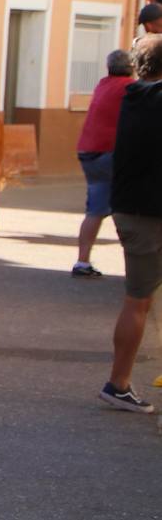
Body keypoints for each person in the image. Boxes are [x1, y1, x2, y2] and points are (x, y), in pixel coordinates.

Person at [100, 34, 162, 413]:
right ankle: (117, 383)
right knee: (138, 303)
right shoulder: (154, 100)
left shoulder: (134, 97)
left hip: (131, 210)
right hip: (148, 216)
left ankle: (119, 382)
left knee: (140, 301)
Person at [75, 49, 132, 279]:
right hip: (109, 152)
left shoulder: (102, 85)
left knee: (96, 209)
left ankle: (82, 261)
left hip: (88, 151)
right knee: (127, 208)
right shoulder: (129, 88)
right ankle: (136, 263)